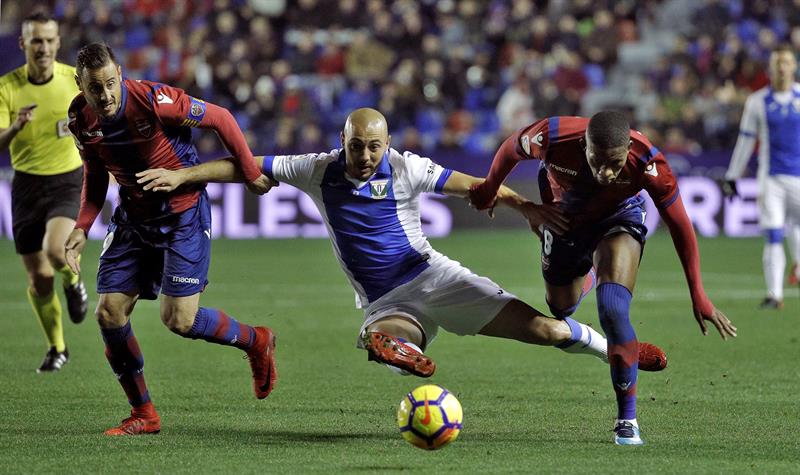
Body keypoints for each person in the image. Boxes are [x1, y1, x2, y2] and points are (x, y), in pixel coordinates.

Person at [137, 108, 667, 394]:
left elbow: (472, 185)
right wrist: (184, 175)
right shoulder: (318, 170)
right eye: (355, 146)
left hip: (436, 278)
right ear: (341, 143)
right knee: (381, 338)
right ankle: (396, 351)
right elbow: (243, 165)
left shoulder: (408, 167)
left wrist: (524, 207)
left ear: (386, 144)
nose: (365, 156)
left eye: (374, 147)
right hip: (387, 300)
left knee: (550, 330)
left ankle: (616, 350)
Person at [469, 110, 737, 445]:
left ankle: (627, 419)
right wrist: (490, 187)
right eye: (598, 160)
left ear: (627, 150)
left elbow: (681, 225)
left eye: (615, 162)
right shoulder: (554, 136)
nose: (606, 172)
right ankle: (593, 271)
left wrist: (698, 292)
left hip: (618, 218)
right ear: (584, 145)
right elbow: (511, 147)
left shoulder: (649, 163)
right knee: (561, 308)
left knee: (612, 309)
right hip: (563, 218)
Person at [62, 43, 277, 436]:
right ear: (81, 85)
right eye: (96, 88)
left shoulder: (155, 101)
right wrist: (81, 227)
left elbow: (222, 118)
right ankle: (143, 414)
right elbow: (95, 174)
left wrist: (249, 172)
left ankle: (256, 340)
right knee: (108, 312)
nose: (106, 95)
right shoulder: (80, 118)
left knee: (179, 320)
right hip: (132, 218)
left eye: (112, 83)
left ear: (121, 74)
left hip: (182, 216)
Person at [0, 12, 89, 373]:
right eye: (37, 40)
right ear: (24, 44)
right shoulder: (7, 87)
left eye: (50, 40)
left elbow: (105, 114)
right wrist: (16, 127)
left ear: (58, 43)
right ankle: (58, 347)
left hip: (67, 178)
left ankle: (74, 281)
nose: (45, 47)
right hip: (25, 185)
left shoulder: (74, 80)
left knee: (56, 251)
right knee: (38, 279)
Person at [724, 44, 800, 309]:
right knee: (774, 233)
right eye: (777, 63)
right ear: (770, 68)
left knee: (797, 228)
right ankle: (774, 294)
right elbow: (745, 142)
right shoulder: (757, 101)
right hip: (771, 179)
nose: (782, 68)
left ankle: (797, 270)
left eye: (786, 62)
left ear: (794, 66)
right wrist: (732, 175)